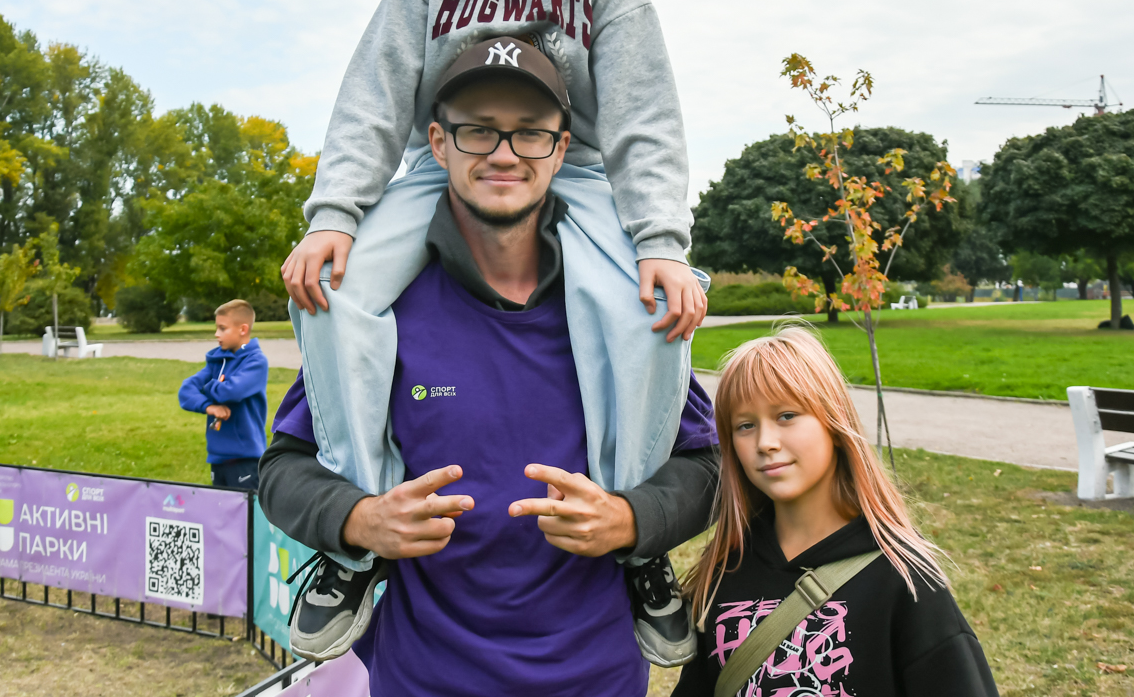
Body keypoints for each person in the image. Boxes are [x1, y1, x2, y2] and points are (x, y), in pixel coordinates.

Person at [258, 52, 720, 694]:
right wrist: (358, 519)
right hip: (421, 674)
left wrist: (633, 520)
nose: (504, 154)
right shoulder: (375, 313)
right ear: (438, 142)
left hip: (597, 674)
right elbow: (283, 468)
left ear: (561, 150)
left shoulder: (623, 314)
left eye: (529, 132)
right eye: (478, 130)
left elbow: (705, 465)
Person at [675, 327, 998, 697]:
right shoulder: (725, 571)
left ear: (833, 421)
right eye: (745, 426)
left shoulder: (903, 577)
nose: (765, 442)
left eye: (786, 416)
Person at [178, 300, 270, 489]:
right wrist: (209, 407)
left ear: (242, 329)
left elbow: (231, 392)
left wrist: (207, 386)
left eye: (222, 328)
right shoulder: (217, 361)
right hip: (217, 457)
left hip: (245, 458)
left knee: (246, 509)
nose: (216, 334)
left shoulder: (256, 362)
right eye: (216, 328)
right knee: (220, 508)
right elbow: (186, 391)